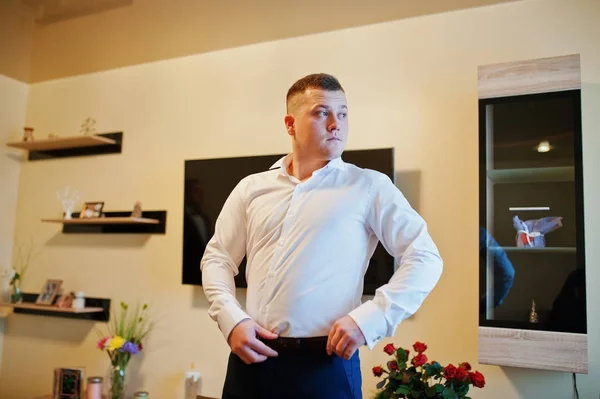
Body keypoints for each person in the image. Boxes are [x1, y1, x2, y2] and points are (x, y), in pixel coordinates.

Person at [200, 73, 443, 399]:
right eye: (321, 113)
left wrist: (372, 317)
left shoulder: (369, 186)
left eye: (342, 113)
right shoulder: (251, 188)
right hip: (251, 359)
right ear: (290, 124)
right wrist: (230, 319)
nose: (336, 124)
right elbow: (217, 257)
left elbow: (424, 257)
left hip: (326, 365)